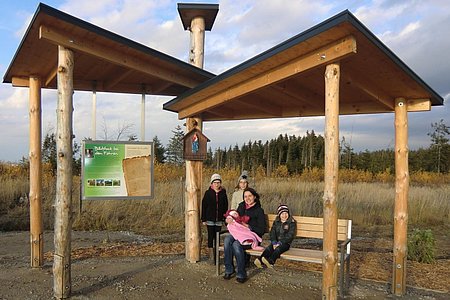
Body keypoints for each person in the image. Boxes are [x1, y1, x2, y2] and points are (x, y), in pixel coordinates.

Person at [223, 187, 266, 283]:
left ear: (254, 197)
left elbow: (262, 229)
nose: (247, 198)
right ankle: (229, 269)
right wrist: (227, 221)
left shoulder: (259, 211)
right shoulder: (241, 207)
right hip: (238, 234)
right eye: (245, 196)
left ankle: (241, 273)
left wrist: (248, 226)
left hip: (252, 237)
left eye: (250, 196)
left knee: (236, 244)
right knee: (227, 240)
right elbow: (233, 219)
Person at [254, 204, 297, 269]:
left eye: (286, 213)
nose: (284, 215)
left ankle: (271, 261)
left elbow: (290, 236)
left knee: (278, 249)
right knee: (269, 248)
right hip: (275, 242)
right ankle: (260, 260)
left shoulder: (291, 222)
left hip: (285, 243)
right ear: (279, 215)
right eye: (282, 214)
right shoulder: (276, 222)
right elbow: (272, 232)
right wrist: (274, 242)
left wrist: (280, 243)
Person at [201, 173, 228, 264]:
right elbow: (204, 206)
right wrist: (203, 219)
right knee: (210, 237)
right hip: (210, 219)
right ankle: (211, 257)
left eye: (218, 182)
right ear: (211, 183)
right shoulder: (208, 193)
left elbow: (225, 206)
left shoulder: (223, 193)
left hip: (219, 219)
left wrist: (225, 217)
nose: (217, 184)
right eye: (215, 182)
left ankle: (217, 257)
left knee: (217, 238)